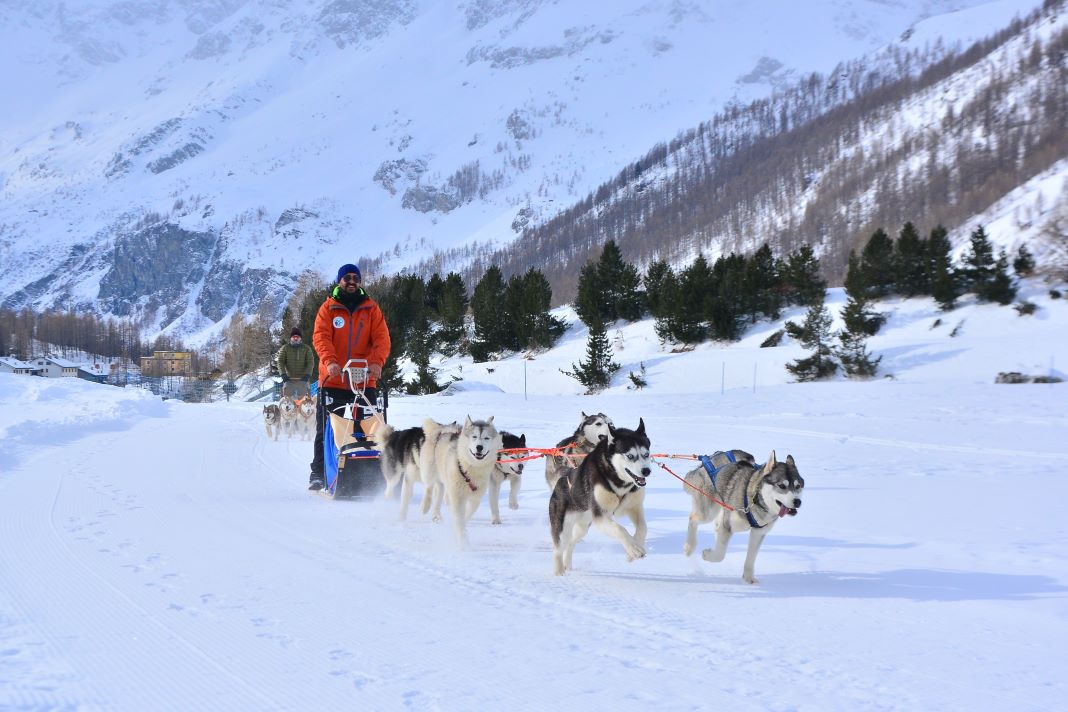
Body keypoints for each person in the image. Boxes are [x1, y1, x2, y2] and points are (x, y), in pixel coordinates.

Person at [308, 263, 391, 490]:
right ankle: (318, 472)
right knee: (325, 428)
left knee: (369, 427)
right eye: (347, 278)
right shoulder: (329, 308)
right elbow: (321, 337)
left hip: (364, 380)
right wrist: (330, 361)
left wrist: (376, 363)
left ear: (360, 281)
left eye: (355, 278)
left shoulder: (371, 309)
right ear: (339, 281)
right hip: (333, 380)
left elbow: (381, 340)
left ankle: (371, 473)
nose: (352, 281)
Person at [276, 326, 315, 399]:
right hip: (288, 379)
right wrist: (283, 374)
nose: (296, 338)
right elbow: (280, 362)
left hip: (303, 379)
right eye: (294, 337)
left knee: (304, 401)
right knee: (287, 401)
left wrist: (307, 375)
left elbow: (310, 362)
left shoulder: (306, 348)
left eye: (297, 337)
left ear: (300, 338)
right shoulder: (285, 348)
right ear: (291, 338)